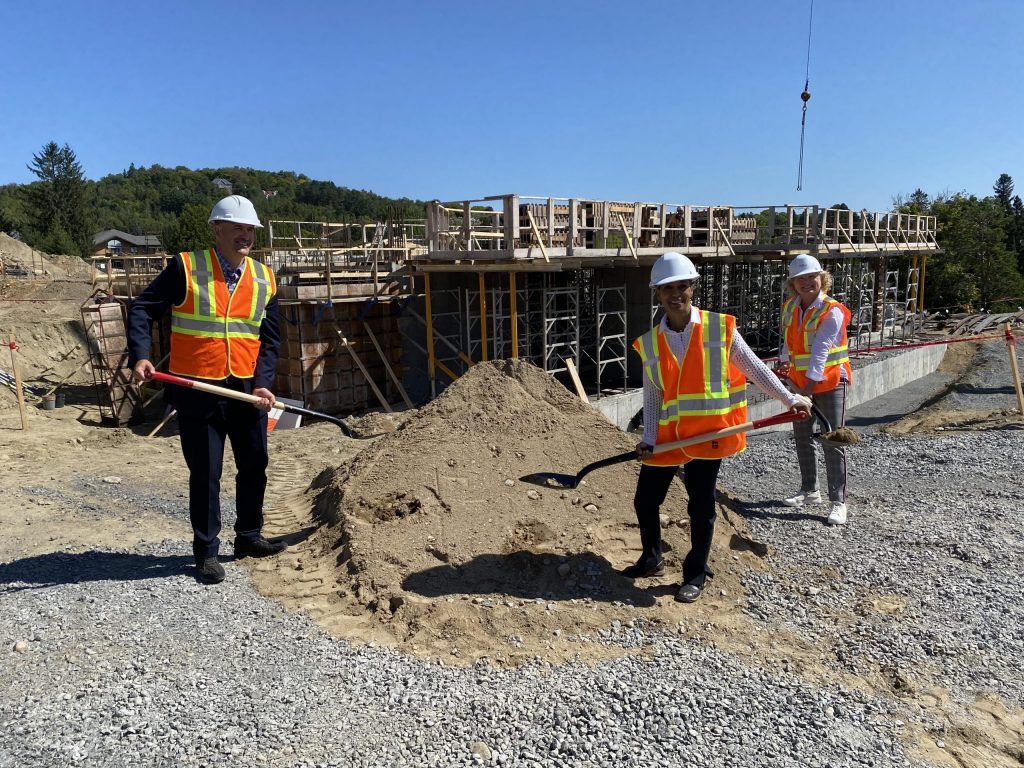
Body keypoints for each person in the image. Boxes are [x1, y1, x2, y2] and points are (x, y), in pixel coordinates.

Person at [628, 252, 812, 603]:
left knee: (700, 506)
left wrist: (790, 399)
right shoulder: (651, 342)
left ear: (693, 288)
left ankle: (695, 573)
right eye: (667, 288)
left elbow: (756, 369)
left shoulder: (719, 328)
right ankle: (651, 559)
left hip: (710, 435)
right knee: (645, 501)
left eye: (681, 286)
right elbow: (652, 397)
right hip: (668, 437)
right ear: (657, 294)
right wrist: (648, 438)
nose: (675, 293)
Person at [128, 195, 285, 584]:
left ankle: (248, 536)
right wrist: (141, 355)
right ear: (217, 229)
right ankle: (206, 552)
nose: (244, 236)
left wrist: (264, 384)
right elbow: (142, 308)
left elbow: (271, 340)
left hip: (246, 389)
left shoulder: (264, 277)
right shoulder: (186, 267)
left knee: (254, 464)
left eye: (249, 230)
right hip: (197, 388)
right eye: (237, 228)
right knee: (206, 471)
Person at [776, 253, 853, 526]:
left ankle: (838, 501)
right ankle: (810, 491)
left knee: (833, 439)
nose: (807, 282)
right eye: (800, 279)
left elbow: (821, 351)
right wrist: (784, 364)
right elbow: (789, 340)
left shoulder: (832, 310)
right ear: (793, 283)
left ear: (822, 279)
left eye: (812, 277)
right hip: (800, 382)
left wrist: (806, 390)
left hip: (830, 381)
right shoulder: (790, 307)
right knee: (802, 437)